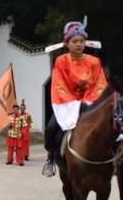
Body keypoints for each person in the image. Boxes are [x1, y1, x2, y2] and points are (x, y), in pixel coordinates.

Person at [42, 20, 107, 177]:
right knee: (50, 129)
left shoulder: (94, 62)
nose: (78, 44)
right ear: (67, 43)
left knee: (111, 126)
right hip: (67, 104)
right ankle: (51, 158)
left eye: (81, 41)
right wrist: (76, 104)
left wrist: (88, 103)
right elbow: (59, 84)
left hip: (89, 103)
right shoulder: (61, 61)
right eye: (74, 41)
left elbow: (99, 84)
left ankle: (112, 159)